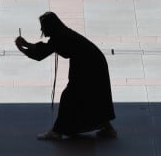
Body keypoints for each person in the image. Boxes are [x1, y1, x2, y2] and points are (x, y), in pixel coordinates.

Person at [15, 11, 117, 141]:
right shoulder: (61, 33)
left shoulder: (59, 37)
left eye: (43, 26)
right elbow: (47, 47)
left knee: (69, 97)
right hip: (93, 63)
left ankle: (56, 132)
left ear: (49, 27)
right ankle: (108, 129)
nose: (41, 29)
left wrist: (21, 48)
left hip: (88, 66)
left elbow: (40, 54)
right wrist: (26, 44)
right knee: (92, 96)